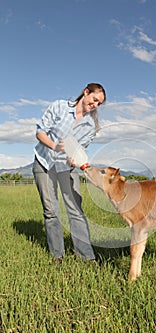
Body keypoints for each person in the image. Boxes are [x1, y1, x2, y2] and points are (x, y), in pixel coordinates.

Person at [33, 83, 106, 264]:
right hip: (44, 162)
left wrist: (74, 158)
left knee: (75, 210)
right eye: (95, 99)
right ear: (86, 92)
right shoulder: (59, 106)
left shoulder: (91, 126)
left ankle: (86, 256)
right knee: (51, 211)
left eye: (99, 104)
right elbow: (40, 132)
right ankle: (57, 255)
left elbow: (78, 149)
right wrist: (54, 146)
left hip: (66, 168)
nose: (95, 105)